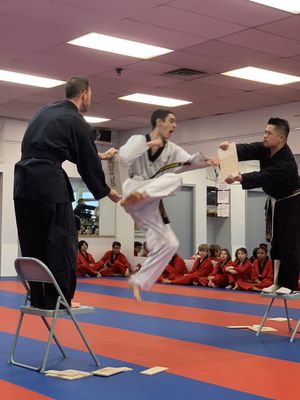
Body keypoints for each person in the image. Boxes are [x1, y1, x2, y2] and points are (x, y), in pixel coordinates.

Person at [13, 76, 121, 309]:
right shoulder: (76, 119)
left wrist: (98, 155)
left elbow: (56, 147)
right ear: (84, 94)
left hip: (22, 182)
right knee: (60, 242)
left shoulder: (44, 113)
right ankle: (60, 300)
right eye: (91, 95)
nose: (91, 98)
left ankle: (39, 298)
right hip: (48, 185)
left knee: (33, 243)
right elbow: (86, 163)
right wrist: (105, 190)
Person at [119, 109, 216, 301]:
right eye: (171, 121)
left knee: (171, 243)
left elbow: (189, 161)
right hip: (134, 189)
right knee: (171, 179)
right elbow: (124, 157)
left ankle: (138, 280)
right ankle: (138, 195)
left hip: (148, 202)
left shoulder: (172, 149)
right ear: (158, 122)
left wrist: (209, 161)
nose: (175, 125)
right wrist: (147, 144)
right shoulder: (137, 139)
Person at [220, 117, 300, 294]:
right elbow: (247, 148)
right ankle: (277, 282)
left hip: (291, 202)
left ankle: (289, 284)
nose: (264, 136)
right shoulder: (264, 148)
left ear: (281, 138)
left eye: (268, 133)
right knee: (276, 244)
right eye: (265, 132)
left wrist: (240, 177)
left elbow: (265, 175)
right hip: (274, 201)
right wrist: (229, 149)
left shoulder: (287, 162)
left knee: (289, 244)